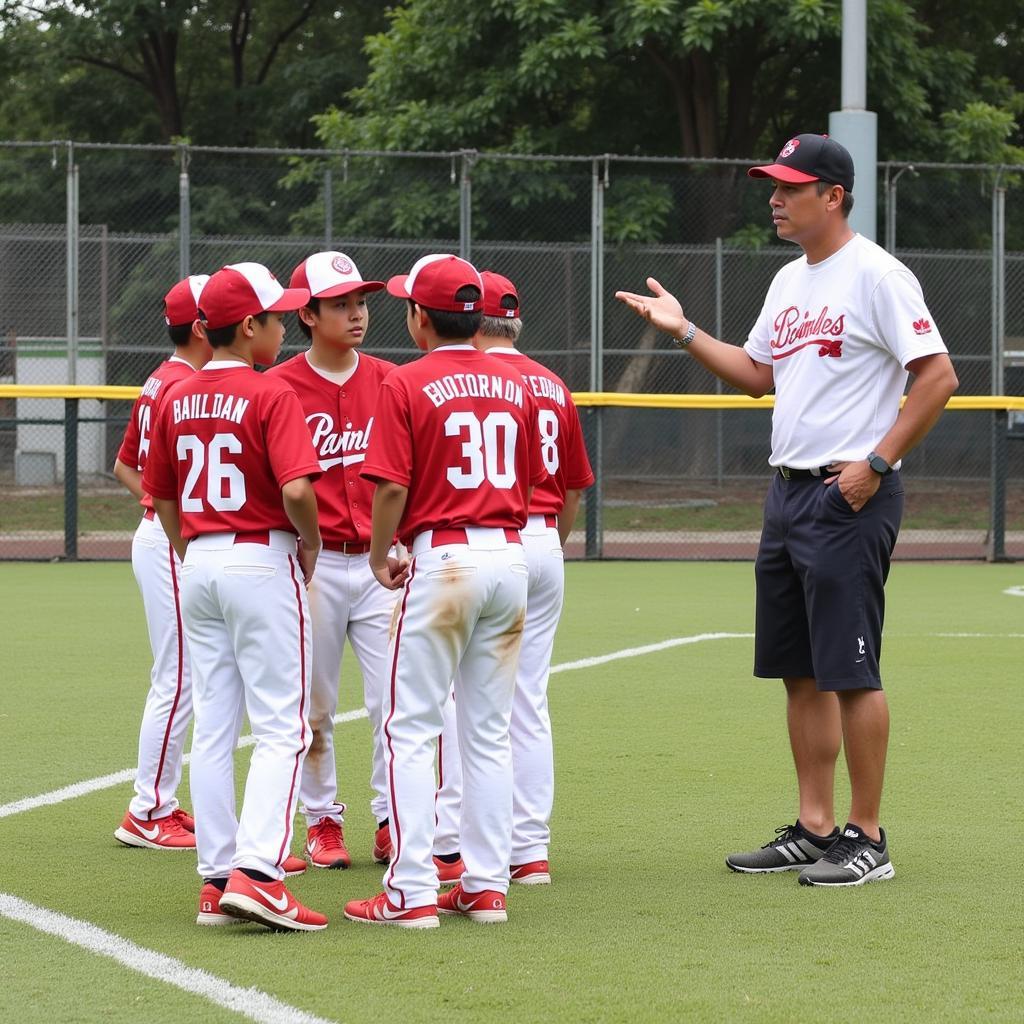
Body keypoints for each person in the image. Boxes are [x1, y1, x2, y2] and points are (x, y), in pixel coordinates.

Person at [615, 133, 958, 886]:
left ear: (833, 196)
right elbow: (754, 376)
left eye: (790, 186)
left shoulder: (877, 275)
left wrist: (875, 464)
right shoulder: (788, 282)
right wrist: (686, 331)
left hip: (848, 493)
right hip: (788, 492)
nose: (774, 197)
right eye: (773, 184)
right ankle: (814, 825)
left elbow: (937, 376)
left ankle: (867, 838)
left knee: (852, 671)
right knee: (800, 672)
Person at [343, 254, 545, 928]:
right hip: (509, 558)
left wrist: (378, 555)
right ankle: (487, 887)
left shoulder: (405, 381)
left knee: (411, 729)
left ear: (419, 318)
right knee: (487, 732)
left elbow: (394, 486)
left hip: (445, 560)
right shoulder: (515, 383)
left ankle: (410, 893)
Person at [143, 261, 328, 930]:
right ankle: (260, 874)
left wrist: (189, 546)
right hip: (260, 559)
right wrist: (308, 543)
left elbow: (160, 493)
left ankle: (217, 879)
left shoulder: (174, 395)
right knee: (284, 725)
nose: (281, 326)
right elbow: (299, 491)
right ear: (249, 326)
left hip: (201, 560)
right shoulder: (270, 392)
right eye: (276, 318)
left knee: (216, 725)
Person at [437, 270, 594, 884]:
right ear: (517, 323)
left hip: (482, 541)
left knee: (456, 698)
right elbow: (576, 485)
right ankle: (529, 851)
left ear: (472, 321)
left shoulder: (472, 380)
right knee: (528, 699)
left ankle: (452, 843)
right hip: (543, 539)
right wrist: (551, 541)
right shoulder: (551, 383)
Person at [113, 275, 210, 851]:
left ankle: (162, 801)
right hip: (172, 542)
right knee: (179, 678)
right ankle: (146, 810)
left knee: (185, 676)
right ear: (204, 326)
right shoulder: (182, 387)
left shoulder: (161, 378)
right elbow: (137, 474)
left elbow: (128, 467)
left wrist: (156, 507)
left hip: (162, 535)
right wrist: (166, 516)